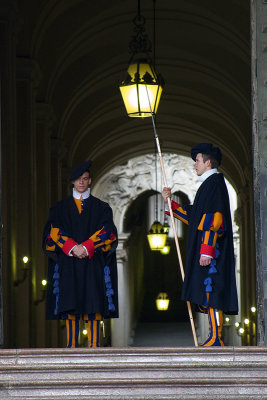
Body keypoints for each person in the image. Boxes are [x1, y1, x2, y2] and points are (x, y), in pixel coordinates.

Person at [162, 143, 238, 346]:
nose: (195, 164)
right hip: (210, 251)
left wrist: (206, 251)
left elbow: (214, 220)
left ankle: (215, 337)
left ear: (208, 162)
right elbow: (197, 216)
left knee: (210, 293)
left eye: (197, 160)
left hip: (212, 252)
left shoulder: (214, 183)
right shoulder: (210, 184)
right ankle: (214, 336)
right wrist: (172, 205)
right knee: (207, 293)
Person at [43, 160, 118, 348]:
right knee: (70, 302)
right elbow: (52, 232)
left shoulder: (102, 208)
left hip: (93, 263)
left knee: (94, 302)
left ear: (90, 180)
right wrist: (71, 247)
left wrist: (86, 247)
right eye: (78, 180)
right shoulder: (59, 209)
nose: (81, 183)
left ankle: (94, 346)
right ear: (72, 182)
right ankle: (71, 347)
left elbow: (108, 232)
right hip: (69, 264)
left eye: (84, 179)